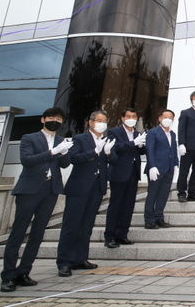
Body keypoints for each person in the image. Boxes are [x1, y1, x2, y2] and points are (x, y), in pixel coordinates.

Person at [0, 107, 73, 292]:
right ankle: (8, 276)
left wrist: (64, 152)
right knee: (18, 233)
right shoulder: (29, 138)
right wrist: (52, 152)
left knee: (38, 234)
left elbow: (65, 164)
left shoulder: (60, 140)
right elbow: (27, 160)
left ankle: (24, 272)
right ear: (43, 119)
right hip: (29, 190)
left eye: (58, 119)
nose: (55, 121)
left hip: (50, 191)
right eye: (51, 117)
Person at [56, 110, 115, 277]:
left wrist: (108, 152)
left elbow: (113, 160)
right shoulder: (80, 139)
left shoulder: (106, 140)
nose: (102, 124)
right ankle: (64, 262)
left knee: (87, 225)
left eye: (105, 121)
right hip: (79, 187)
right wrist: (94, 151)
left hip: (97, 188)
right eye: (99, 120)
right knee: (71, 225)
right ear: (91, 122)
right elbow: (73, 158)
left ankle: (80, 258)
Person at [104, 108, 146, 249]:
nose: (131, 119)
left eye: (134, 116)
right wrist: (133, 142)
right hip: (119, 173)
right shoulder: (114, 132)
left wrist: (142, 145)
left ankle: (122, 234)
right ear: (122, 118)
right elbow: (115, 148)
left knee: (128, 206)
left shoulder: (137, 133)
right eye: (128, 116)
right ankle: (109, 236)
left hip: (133, 174)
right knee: (116, 205)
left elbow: (140, 151)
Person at [144, 109, 179, 228]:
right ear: (160, 118)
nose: (168, 119)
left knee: (163, 195)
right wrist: (152, 166)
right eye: (165, 117)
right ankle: (149, 220)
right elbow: (149, 150)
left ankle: (159, 218)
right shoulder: (153, 132)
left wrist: (176, 163)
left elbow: (173, 149)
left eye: (170, 118)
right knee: (152, 195)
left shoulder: (172, 134)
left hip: (169, 169)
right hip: (156, 170)